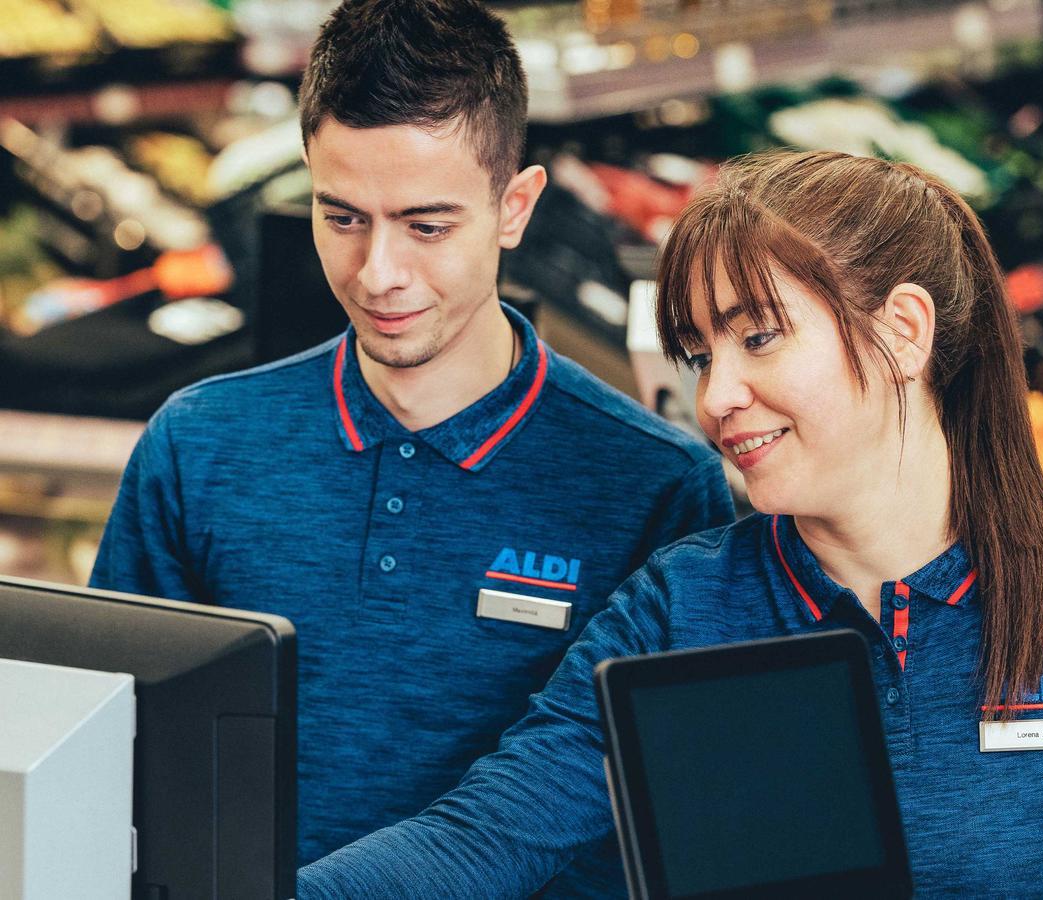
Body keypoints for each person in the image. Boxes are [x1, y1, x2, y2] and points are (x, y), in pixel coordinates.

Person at [295, 149, 1043, 899]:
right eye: (700, 354)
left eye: (758, 337)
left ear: (904, 333)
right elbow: (488, 833)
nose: (718, 398)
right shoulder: (681, 610)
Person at [88, 0, 734, 884]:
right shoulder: (198, 449)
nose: (379, 273)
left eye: (427, 226)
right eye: (342, 217)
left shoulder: (655, 487)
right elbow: (107, 759)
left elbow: (672, 817)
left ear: (515, 207)